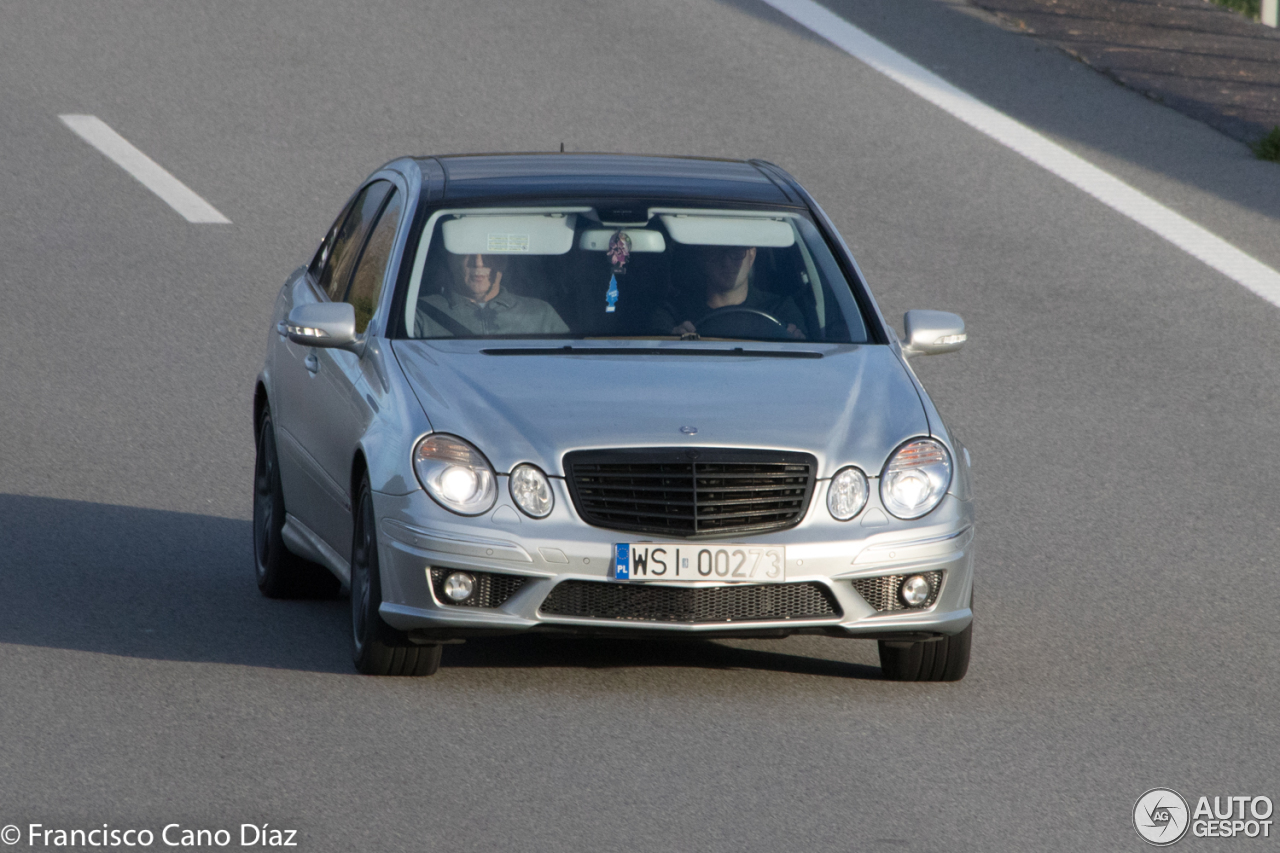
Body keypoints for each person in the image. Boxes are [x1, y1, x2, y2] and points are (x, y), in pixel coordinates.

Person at [653, 245, 807, 339]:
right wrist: (670, 340)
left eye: (736, 252)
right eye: (716, 252)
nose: (726, 262)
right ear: (702, 258)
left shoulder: (781, 310)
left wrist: (797, 343)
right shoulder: (673, 314)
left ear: (752, 255)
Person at [416, 253, 569, 337]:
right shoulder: (420, 314)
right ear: (451, 259)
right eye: (467, 251)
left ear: (505, 260)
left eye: (490, 253)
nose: (478, 262)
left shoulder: (541, 313)